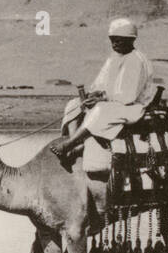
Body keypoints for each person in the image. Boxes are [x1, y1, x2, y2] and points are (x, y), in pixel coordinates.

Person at [51, 16, 155, 161]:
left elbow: (127, 96)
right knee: (73, 105)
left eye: (118, 39)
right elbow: (100, 83)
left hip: (132, 107)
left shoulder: (136, 60)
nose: (114, 43)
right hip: (112, 102)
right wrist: (92, 95)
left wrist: (102, 98)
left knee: (101, 110)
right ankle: (77, 142)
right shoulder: (113, 58)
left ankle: (69, 144)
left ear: (131, 40)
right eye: (112, 39)